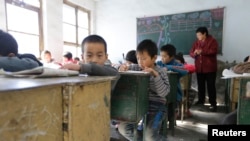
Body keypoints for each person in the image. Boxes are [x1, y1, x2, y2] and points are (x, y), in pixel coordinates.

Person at [118, 39, 170, 141]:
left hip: (157, 106)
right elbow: (121, 68)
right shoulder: (136, 68)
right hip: (138, 105)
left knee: (150, 137)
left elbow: (164, 92)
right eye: (138, 58)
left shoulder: (161, 72)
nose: (140, 62)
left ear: (154, 58)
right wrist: (122, 68)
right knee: (123, 129)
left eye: (143, 59)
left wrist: (155, 75)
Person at [189, 26, 218, 112]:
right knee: (200, 86)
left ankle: (213, 103)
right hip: (199, 68)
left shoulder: (212, 41)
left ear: (205, 34)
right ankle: (201, 100)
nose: (198, 37)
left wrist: (202, 52)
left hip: (210, 68)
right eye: (197, 35)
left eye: (199, 35)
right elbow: (191, 52)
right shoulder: (196, 42)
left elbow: (214, 51)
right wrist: (194, 53)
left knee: (211, 86)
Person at [156, 44, 188, 118]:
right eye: (161, 56)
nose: (162, 58)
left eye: (165, 56)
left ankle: (169, 120)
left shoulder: (176, 64)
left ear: (172, 56)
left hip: (174, 92)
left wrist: (169, 67)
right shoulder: (159, 63)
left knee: (169, 112)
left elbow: (185, 70)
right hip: (161, 91)